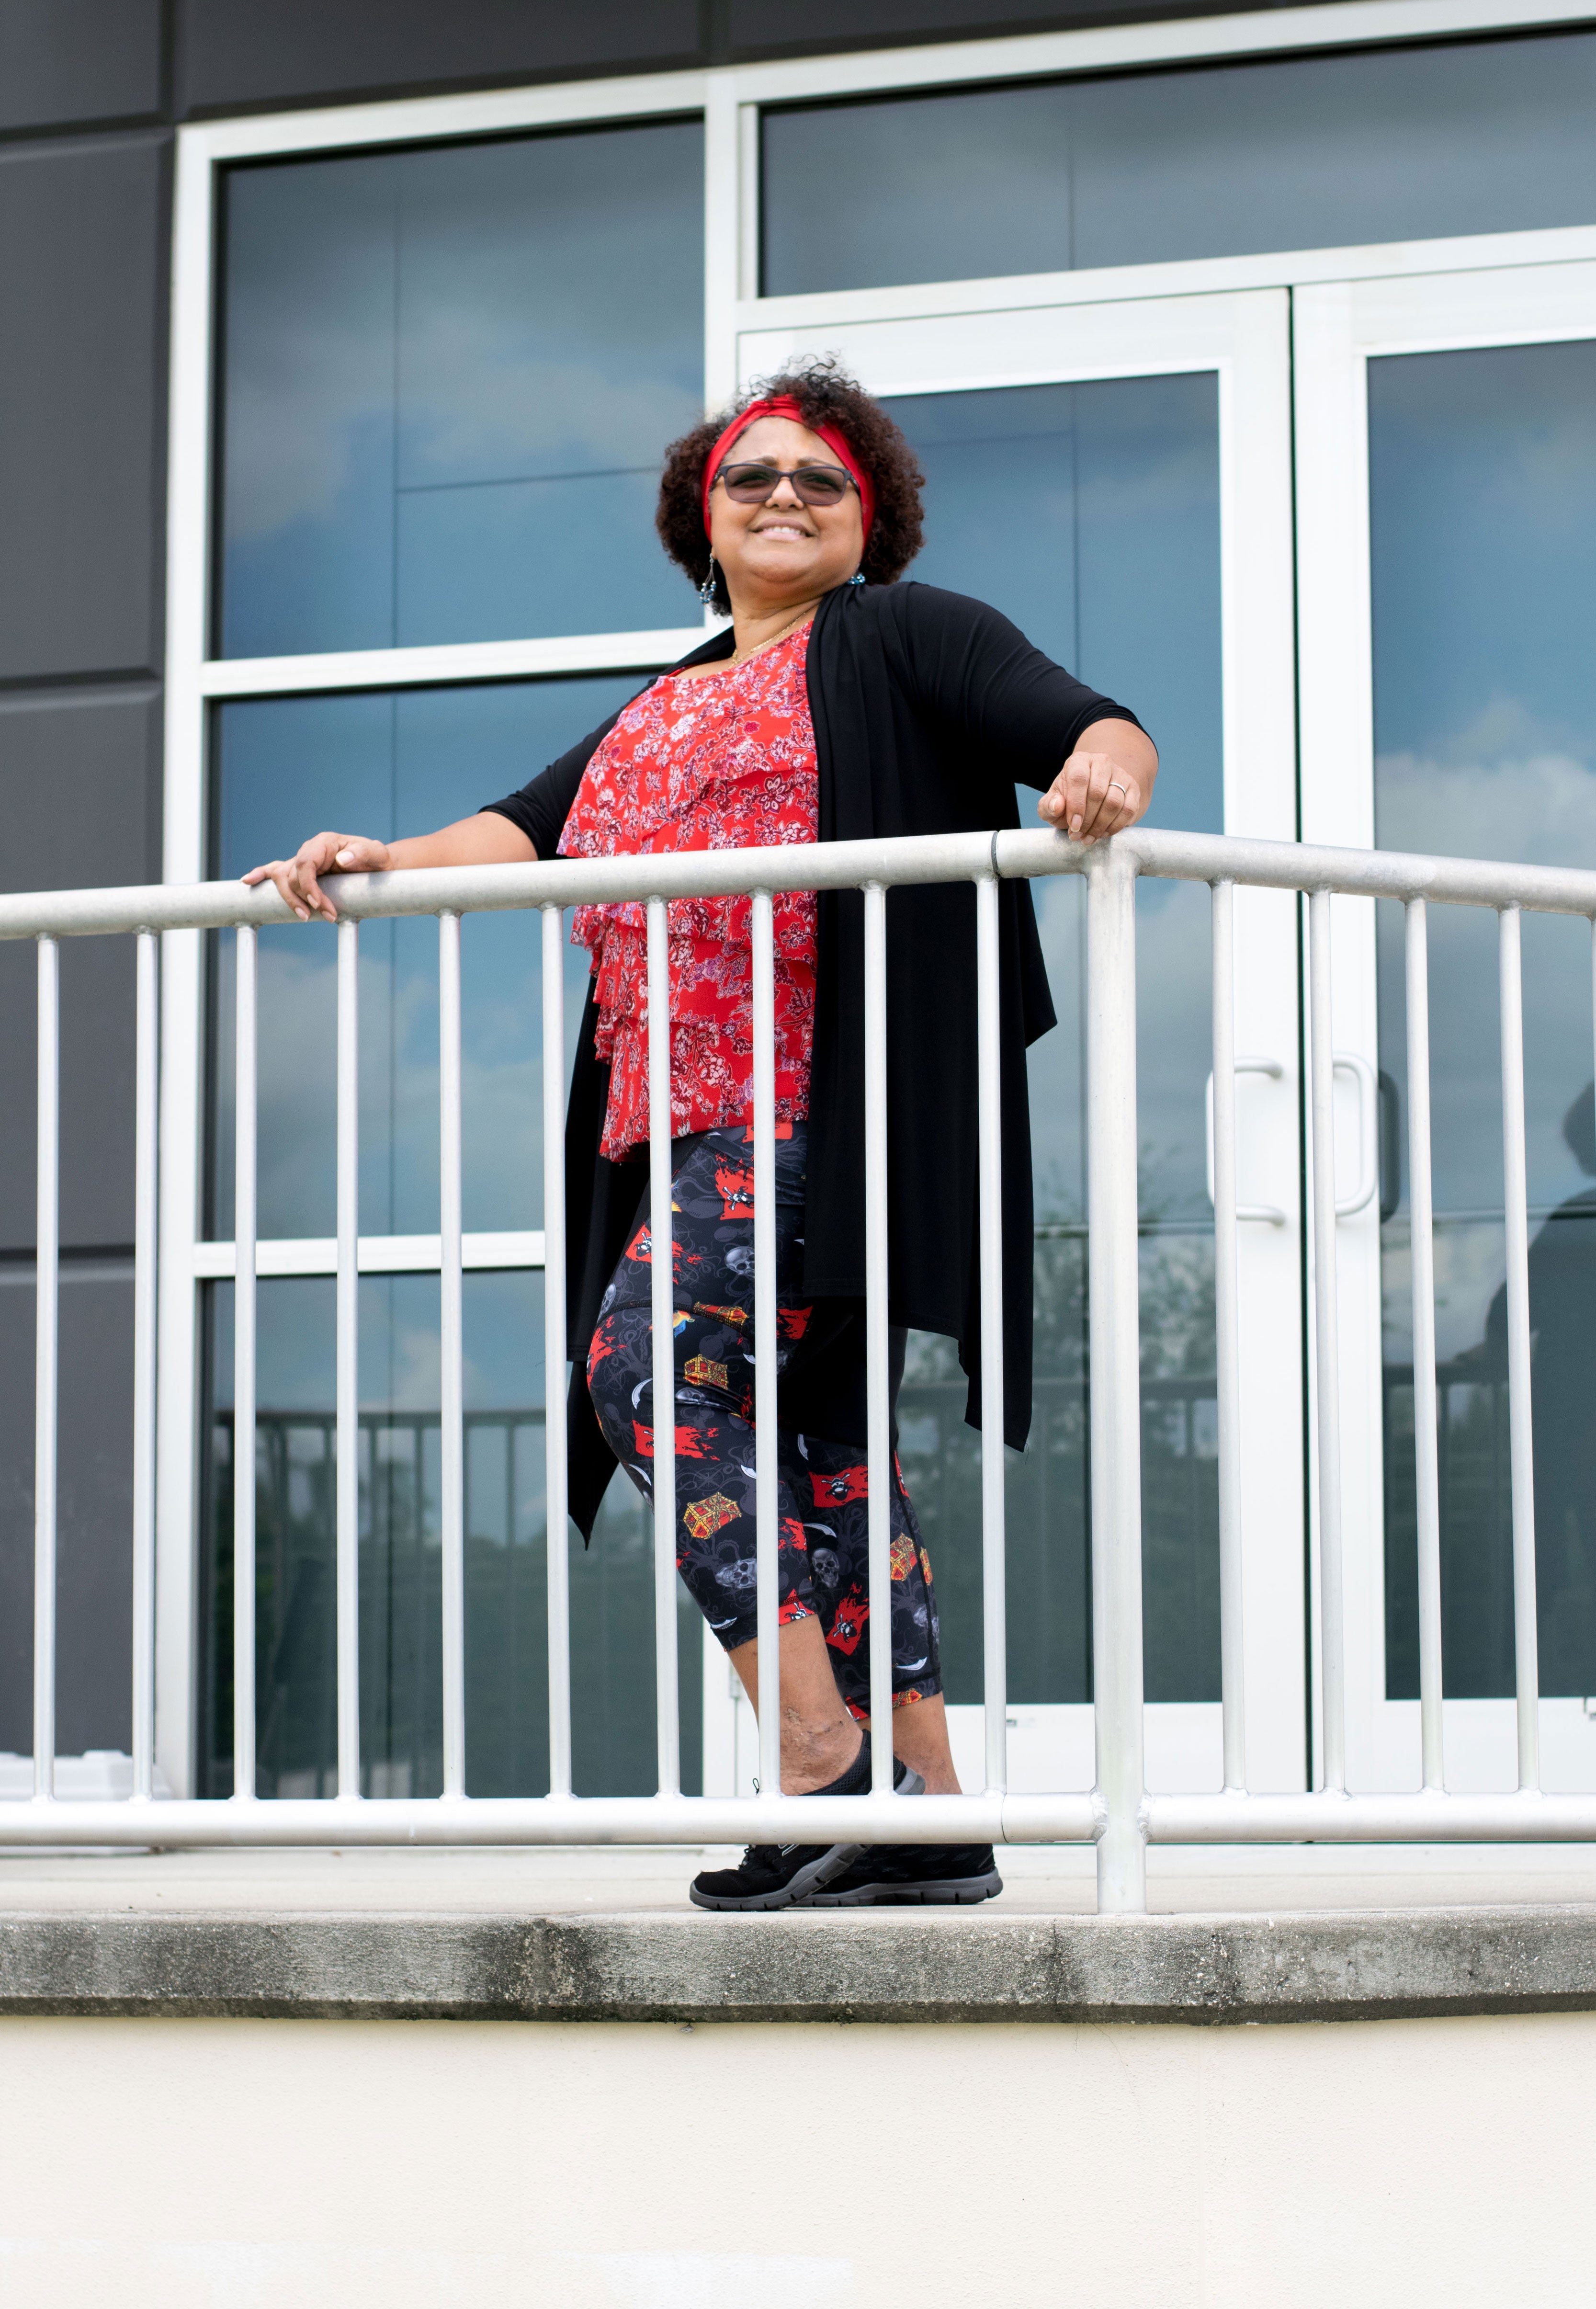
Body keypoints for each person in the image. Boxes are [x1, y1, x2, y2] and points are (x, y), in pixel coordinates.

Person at [245, 357, 1157, 1911]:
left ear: (870, 519)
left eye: (822, 479)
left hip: (819, 1106)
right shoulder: (660, 706)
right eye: (755, 478)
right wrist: (382, 854)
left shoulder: (909, 636)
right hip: (678, 1134)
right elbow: (527, 828)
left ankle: (815, 1752)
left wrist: (1109, 761)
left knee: (644, 1372)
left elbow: (1073, 720)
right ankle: (926, 1817)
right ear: (704, 518)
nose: (786, 498)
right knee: (819, 1448)